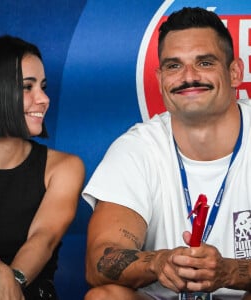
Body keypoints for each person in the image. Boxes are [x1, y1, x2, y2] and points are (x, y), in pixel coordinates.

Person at [82, 7, 251, 300]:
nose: (189, 77)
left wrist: (230, 272)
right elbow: (100, 260)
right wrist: (159, 263)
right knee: (104, 297)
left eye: (205, 62)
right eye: (174, 66)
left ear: (235, 72)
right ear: (160, 78)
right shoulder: (137, 147)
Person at [0, 35, 85, 300]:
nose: (44, 99)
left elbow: (43, 239)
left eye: (43, 86)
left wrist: (9, 282)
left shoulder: (64, 167)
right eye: (27, 87)